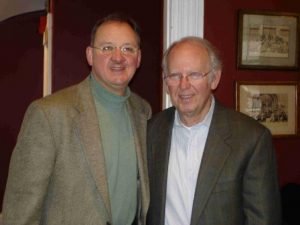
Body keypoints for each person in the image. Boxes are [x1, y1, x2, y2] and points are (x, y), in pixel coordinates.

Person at [3, 13, 151, 225]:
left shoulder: (143, 112)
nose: (118, 57)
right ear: (90, 55)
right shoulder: (49, 114)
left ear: (138, 59)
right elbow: (21, 210)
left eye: (128, 49)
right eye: (107, 48)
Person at [146, 36, 281, 225]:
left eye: (194, 74)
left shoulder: (251, 139)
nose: (184, 85)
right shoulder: (151, 132)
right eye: (175, 75)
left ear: (214, 78)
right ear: (165, 81)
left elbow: (263, 220)